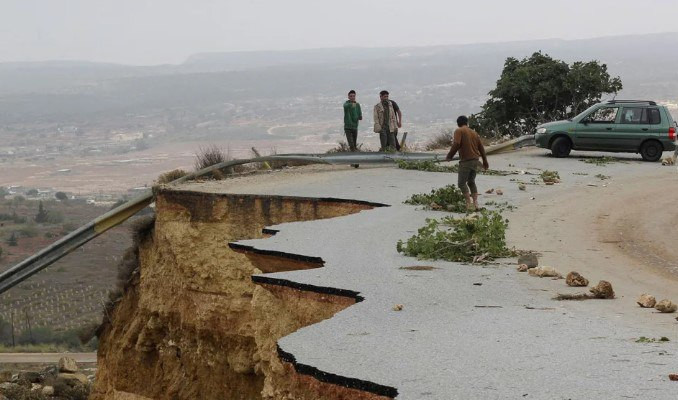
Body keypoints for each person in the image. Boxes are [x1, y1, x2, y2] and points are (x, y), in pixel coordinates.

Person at [445, 115, 489, 211]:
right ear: (467, 123)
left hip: (466, 161)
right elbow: (481, 148)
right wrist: (485, 161)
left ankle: (468, 203)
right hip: (475, 161)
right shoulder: (474, 132)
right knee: (471, 182)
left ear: (458, 123)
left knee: (461, 183)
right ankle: (476, 203)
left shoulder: (459, 131)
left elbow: (456, 144)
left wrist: (449, 156)